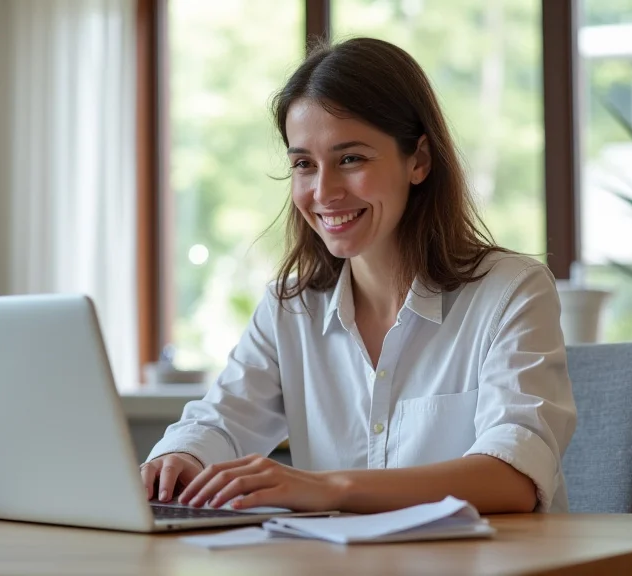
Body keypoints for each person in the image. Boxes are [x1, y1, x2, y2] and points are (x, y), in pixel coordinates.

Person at [139, 37, 577, 515]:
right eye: (304, 164)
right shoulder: (292, 307)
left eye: (351, 159)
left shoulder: (512, 292)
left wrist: (330, 488)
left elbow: (512, 477)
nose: (323, 192)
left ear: (419, 160)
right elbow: (220, 421)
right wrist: (178, 457)